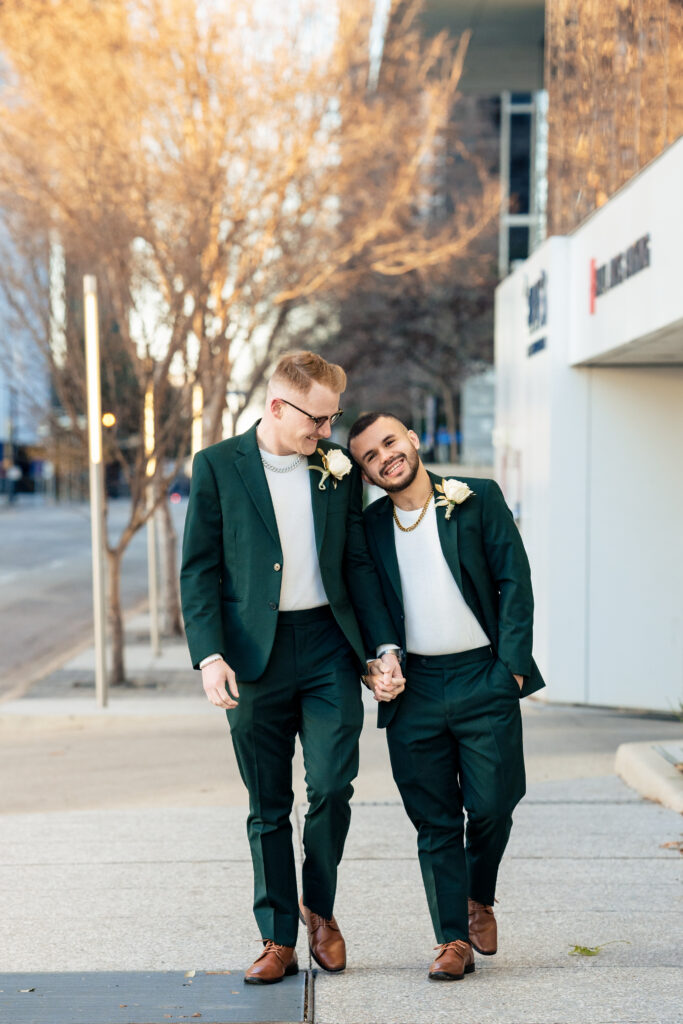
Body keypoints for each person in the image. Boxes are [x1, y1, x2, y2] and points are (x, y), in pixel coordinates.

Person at [180, 354, 403, 985]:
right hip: (254, 656)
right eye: (319, 418)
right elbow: (198, 568)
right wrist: (210, 654)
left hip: (329, 648)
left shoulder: (335, 473)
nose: (329, 433)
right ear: (278, 406)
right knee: (268, 803)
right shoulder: (219, 467)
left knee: (332, 786)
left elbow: (358, 563)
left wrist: (381, 646)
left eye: (333, 416)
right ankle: (278, 936)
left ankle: (320, 911)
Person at [347, 411, 545, 982]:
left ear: (411, 437)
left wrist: (510, 671)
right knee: (433, 820)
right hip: (416, 690)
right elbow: (368, 607)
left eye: (390, 442)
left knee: (492, 805)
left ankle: (479, 895)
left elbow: (516, 581)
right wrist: (376, 667)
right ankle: (450, 939)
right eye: (369, 457)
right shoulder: (370, 526)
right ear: (366, 472)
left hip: (484, 676)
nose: (385, 457)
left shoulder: (476, 498)